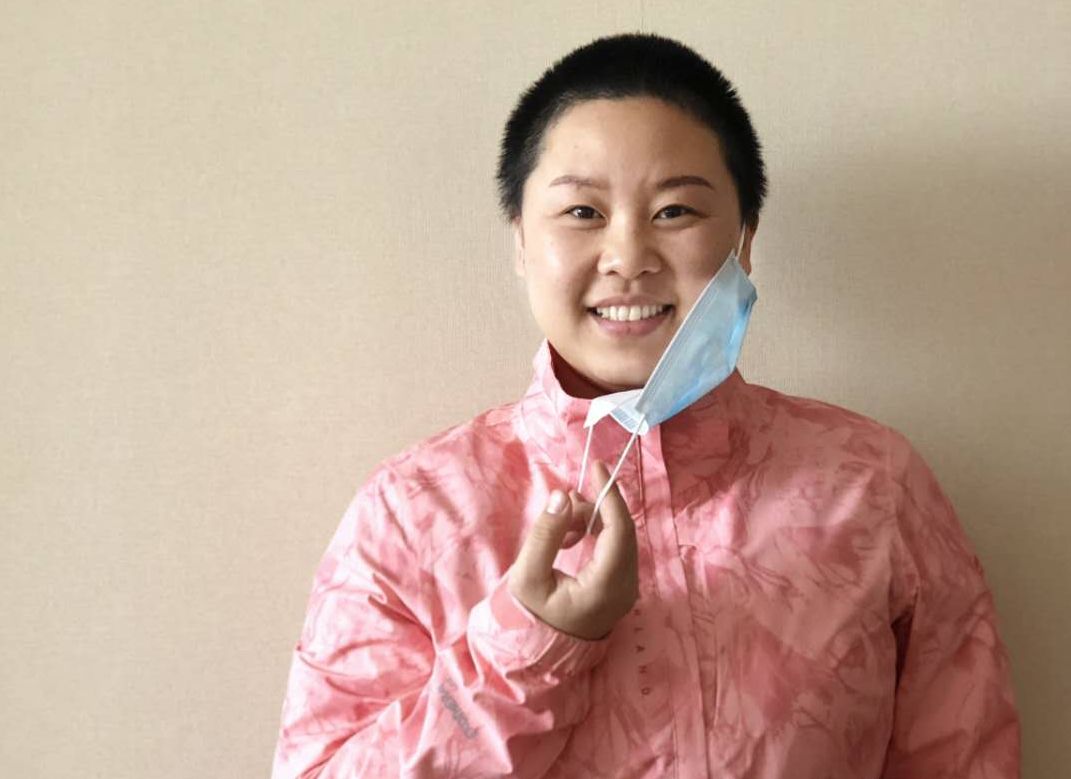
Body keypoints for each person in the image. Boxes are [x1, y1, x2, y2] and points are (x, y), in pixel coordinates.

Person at [271, 33, 1020, 779]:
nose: (628, 257)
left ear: (744, 240)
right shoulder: (413, 513)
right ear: (521, 243)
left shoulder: (871, 484)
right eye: (582, 212)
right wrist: (527, 649)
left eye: (674, 211)